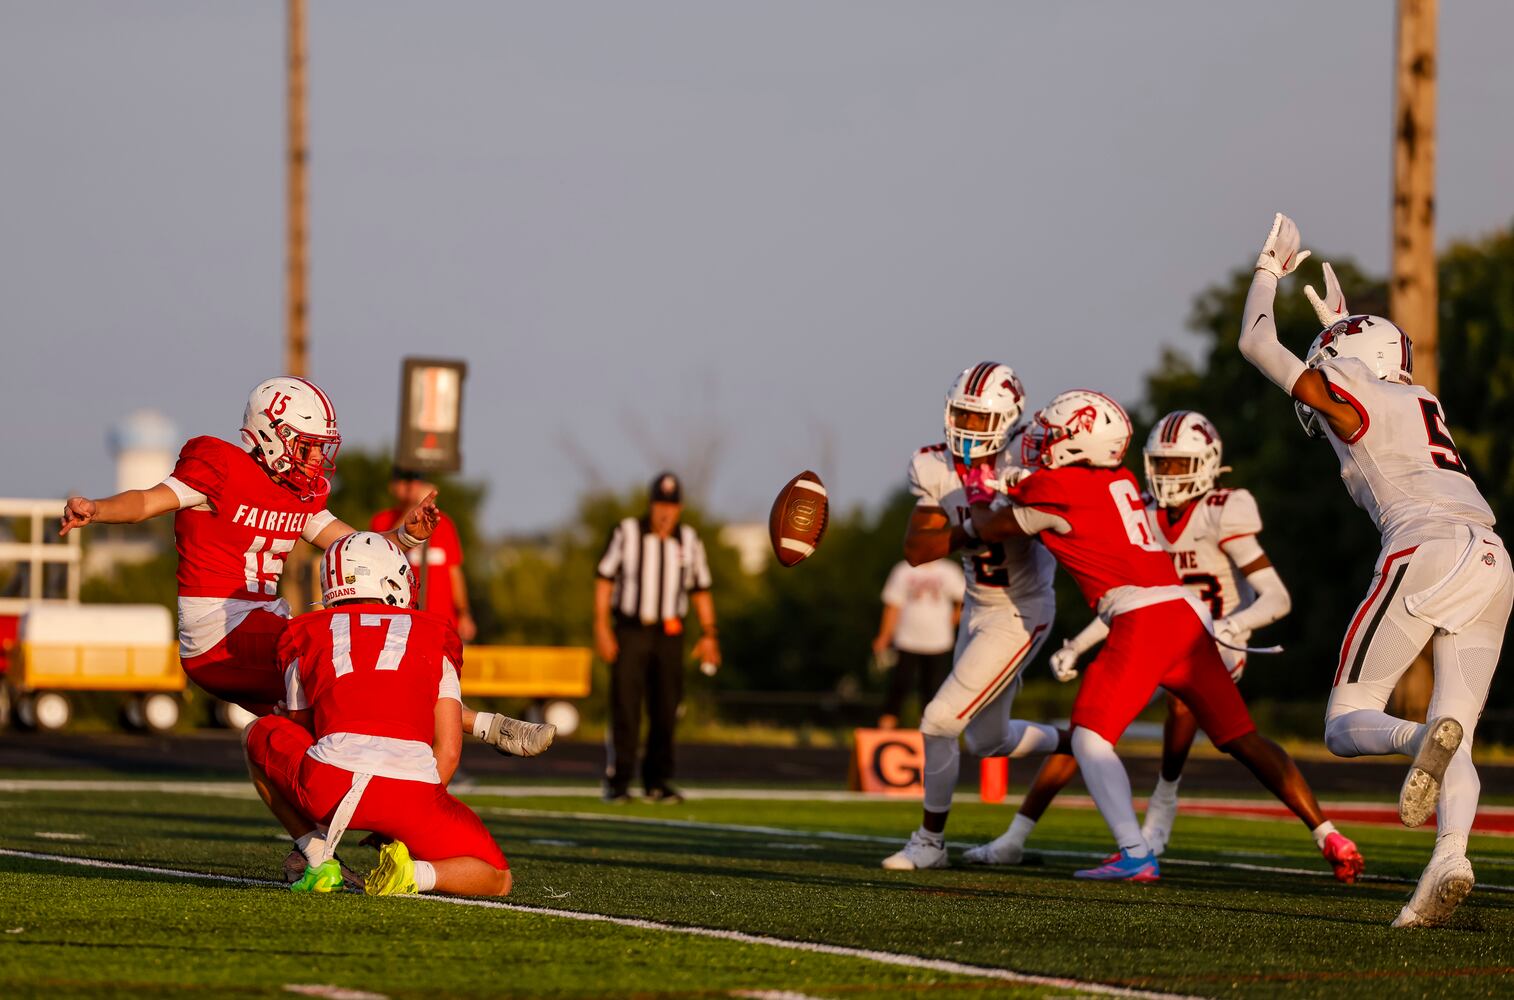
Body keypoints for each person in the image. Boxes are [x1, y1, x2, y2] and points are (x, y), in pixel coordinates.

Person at [965, 389, 1361, 882]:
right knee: (1241, 738)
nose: (1042, 440)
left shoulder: (1061, 485)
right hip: (1185, 618)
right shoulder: (1124, 480)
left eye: (1054, 433)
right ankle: (1331, 836)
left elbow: (989, 527)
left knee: (1088, 736)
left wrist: (980, 488)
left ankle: (1135, 853)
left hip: (1144, 621)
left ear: (1079, 442)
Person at [1238, 213, 1511, 927]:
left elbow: (1255, 342)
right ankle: (1450, 857)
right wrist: (1342, 329)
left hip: (1424, 548)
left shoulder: (1356, 399)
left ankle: (1417, 741)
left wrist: (1268, 271)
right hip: (1491, 554)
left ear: (1348, 361)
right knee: (1462, 726)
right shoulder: (1421, 401)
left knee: (1347, 719)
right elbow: (1363, 368)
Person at [58, 377, 552, 756]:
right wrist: (98, 508)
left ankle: (317, 847)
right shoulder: (220, 468)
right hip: (218, 630)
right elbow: (147, 501)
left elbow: (354, 547)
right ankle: (484, 725)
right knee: (353, 669)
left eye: (320, 445)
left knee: (330, 722)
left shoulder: (301, 492)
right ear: (272, 435)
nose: (317, 457)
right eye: (308, 444)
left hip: (265, 623)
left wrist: (404, 536)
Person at [244, 531, 510, 897]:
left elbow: (302, 732)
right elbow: (447, 751)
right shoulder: (435, 632)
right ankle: (413, 876)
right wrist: (403, 817)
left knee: (260, 731)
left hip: (330, 787)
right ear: (391, 579)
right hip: (412, 793)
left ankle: (318, 857)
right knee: (497, 877)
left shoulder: (304, 632)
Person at [880, 363, 1065, 871]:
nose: (967, 427)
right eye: (961, 413)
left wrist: (985, 522)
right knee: (987, 740)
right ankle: (1074, 741)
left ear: (1007, 421)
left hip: (1022, 611)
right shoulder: (934, 465)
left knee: (939, 720)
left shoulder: (1028, 458)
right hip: (977, 606)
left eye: (980, 418)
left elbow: (1030, 529)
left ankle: (930, 842)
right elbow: (918, 549)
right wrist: (977, 527)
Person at [593, 472, 719, 803]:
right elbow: (605, 579)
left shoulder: (689, 540)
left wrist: (709, 634)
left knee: (667, 708)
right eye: (661, 504)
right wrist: (602, 626)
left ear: (680, 508)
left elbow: (701, 590)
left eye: (672, 505)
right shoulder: (627, 532)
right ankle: (618, 781)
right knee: (626, 707)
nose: (665, 512)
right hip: (632, 629)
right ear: (651, 505)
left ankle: (657, 781)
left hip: (670, 633)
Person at [371, 468, 476, 641]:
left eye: (416, 481)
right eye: (405, 481)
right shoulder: (383, 520)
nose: (411, 487)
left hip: (444, 621)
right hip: (403, 622)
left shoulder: (444, 523)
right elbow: (382, 552)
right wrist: (413, 508)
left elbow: (454, 573)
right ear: (393, 487)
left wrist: (464, 613)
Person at [872, 557, 965, 729]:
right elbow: (893, 606)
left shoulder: (949, 571)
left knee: (932, 692)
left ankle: (926, 736)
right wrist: (884, 636)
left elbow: (963, 599)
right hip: (906, 640)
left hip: (939, 642)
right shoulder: (903, 570)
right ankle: (884, 732)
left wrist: (953, 620)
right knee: (898, 688)